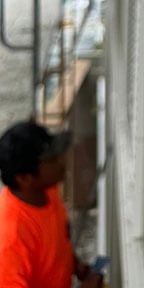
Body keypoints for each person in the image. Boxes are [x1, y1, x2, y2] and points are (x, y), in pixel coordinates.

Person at [0, 121, 102, 288]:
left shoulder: (47, 190)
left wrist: (78, 266)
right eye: (52, 159)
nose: (61, 161)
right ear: (25, 178)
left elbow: (57, 239)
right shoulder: (12, 238)